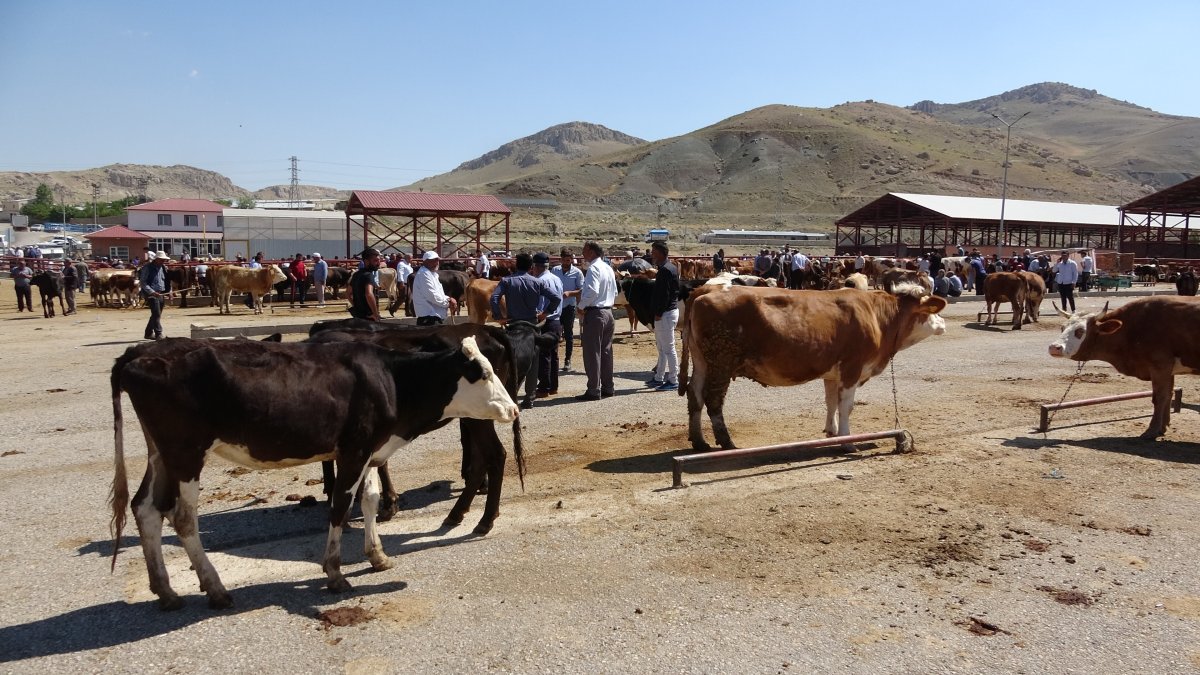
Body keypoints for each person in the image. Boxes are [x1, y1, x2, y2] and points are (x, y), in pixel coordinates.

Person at [491, 253, 560, 408]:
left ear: (516, 264)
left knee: (509, 359)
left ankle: (509, 394)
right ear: (531, 267)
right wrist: (545, 313)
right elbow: (556, 298)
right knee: (533, 361)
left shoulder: (507, 281)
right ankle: (529, 397)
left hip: (514, 324)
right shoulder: (537, 282)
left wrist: (499, 317)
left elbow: (494, 298)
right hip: (532, 325)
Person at [576, 241, 617, 401]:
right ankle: (608, 386)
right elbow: (613, 290)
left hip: (595, 313)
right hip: (608, 311)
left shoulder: (593, 268)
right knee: (606, 351)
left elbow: (592, 290)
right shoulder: (607, 268)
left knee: (593, 352)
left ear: (592, 252)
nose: (583, 253)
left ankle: (593, 389)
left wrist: (581, 306)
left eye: (585, 250)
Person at [647, 241, 680, 391]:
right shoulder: (669, 268)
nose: (652, 255)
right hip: (666, 312)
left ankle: (673, 379)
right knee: (662, 347)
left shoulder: (666, 270)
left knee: (668, 348)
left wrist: (659, 312)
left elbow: (665, 295)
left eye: (654, 252)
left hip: (665, 313)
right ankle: (659, 377)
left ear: (660, 253)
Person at [531, 253, 564, 399]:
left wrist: (543, 313)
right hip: (556, 320)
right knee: (553, 355)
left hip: (545, 320)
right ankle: (553, 386)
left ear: (536, 266)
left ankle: (543, 387)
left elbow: (540, 304)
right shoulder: (556, 279)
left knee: (543, 355)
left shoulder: (539, 281)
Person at [551, 248, 585, 372]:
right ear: (561, 259)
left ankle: (567, 359)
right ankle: (554, 358)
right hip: (556, 305)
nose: (567, 262)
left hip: (569, 306)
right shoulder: (555, 270)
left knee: (569, 333)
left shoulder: (577, 272)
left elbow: (581, 289)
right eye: (565, 260)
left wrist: (570, 293)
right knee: (555, 332)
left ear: (571, 259)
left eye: (569, 260)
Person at [412, 251, 456, 325]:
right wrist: (448, 303)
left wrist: (448, 299)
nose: (436, 263)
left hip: (433, 318)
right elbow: (432, 296)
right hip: (429, 319)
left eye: (437, 260)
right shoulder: (424, 274)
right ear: (425, 262)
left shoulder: (432, 274)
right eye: (432, 261)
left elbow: (437, 294)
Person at [139, 251, 171, 340]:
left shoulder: (163, 267)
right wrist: (152, 292)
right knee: (156, 313)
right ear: (156, 259)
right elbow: (143, 282)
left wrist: (169, 291)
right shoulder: (147, 267)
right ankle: (158, 333)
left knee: (157, 313)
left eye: (164, 260)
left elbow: (166, 281)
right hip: (152, 294)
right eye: (161, 260)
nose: (163, 261)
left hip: (161, 293)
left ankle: (148, 333)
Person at [349, 247, 383, 321]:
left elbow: (348, 293)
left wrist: (355, 305)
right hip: (368, 317)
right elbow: (369, 294)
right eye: (375, 261)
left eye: (379, 260)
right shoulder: (369, 275)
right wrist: (375, 314)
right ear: (366, 261)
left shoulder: (356, 274)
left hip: (358, 316)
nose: (378, 263)